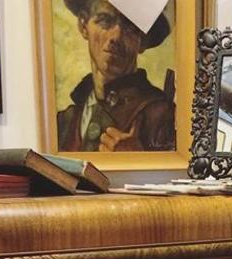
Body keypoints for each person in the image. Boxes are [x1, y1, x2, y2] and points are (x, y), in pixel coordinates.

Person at [58, 0, 175, 153]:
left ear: (143, 41)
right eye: (105, 21)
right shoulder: (65, 120)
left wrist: (138, 161)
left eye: (130, 27)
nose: (116, 36)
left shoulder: (159, 114)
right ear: (83, 25)